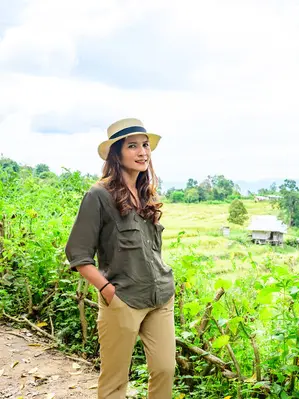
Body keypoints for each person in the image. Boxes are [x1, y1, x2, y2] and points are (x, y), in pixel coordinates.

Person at [65, 117, 176, 398]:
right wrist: (107, 290)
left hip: (160, 296)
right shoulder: (98, 195)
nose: (142, 152)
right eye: (132, 146)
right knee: (115, 381)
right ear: (117, 153)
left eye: (145, 145)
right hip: (122, 299)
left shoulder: (145, 193)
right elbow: (78, 254)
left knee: (165, 369)